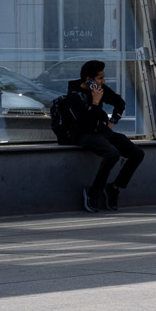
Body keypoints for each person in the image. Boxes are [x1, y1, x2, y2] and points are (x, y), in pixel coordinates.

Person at [57, 61, 140, 212]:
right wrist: (95, 103)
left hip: (101, 130)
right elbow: (86, 125)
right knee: (112, 154)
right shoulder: (73, 97)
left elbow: (119, 102)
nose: (103, 81)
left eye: (103, 77)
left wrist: (113, 121)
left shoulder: (99, 89)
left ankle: (114, 188)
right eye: (100, 78)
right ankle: (93, 192)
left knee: (137, 153)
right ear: (88, 79)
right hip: (83, 134)